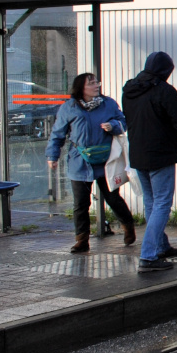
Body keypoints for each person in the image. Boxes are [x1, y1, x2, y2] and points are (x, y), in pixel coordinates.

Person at [47, 73, 136, 254]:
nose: (97, 86)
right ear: (81, 88)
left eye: (97, 82)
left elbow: (123, 122)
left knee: (113, 198)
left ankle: (128, 226)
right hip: (80, 162)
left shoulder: (108, 104)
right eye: (92, 83)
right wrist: (52, 156)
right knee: (80, 203)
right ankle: (82, 240)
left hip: (105, 161)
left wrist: (113, 126)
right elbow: (57, 134)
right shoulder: (69, 108)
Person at [123, 51, 177, 273]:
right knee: (162, 203)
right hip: (160, 154)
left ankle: (161, 246)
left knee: (151, 202)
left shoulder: (129, 90)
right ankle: (149, 255)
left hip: (138, 154)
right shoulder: (164, 91)